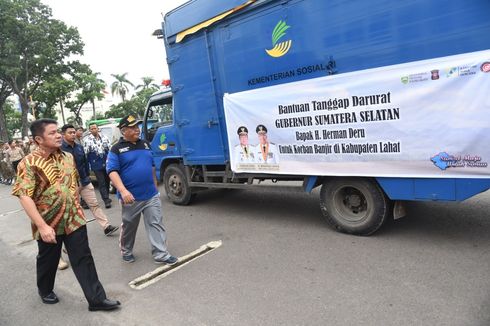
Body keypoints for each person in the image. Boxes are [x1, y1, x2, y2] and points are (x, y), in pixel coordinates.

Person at [11, 118, 120, 311]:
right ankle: (44, 290)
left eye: (57, 131)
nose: (58, 135)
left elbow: (75, 183)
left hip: (74, 219)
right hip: (48, 222)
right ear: (38, 139)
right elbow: (24, 196)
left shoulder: (68, 157)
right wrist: (42, 226)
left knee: (83, 258)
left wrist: (74, 203)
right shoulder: (28, 163)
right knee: (48, 260)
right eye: (52, 133)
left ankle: (96, 300)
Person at [107, 114, 177, 265]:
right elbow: (112, 171)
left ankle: (161, 254)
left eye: (137, 127)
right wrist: (123, 191)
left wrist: (155, 186)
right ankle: (126, 250)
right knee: (129, 226)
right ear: (123, 130)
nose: (137, 130)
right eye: (132, 128)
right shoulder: (116, 149)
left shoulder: (145, 144)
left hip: (150, 194)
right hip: (131, 197)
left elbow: (151, 166)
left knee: (156, 223)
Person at [61, 124, 119, 237]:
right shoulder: (59, 150)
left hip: (84, 182)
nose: (73, 134)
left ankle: (106, 227)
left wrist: (86, 177)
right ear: (63, 135)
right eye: (70, 133)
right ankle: (69, 235)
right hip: (69, 185)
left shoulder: (79, 147)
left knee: (94, 204)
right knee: (72, 209)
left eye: (74, 132)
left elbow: (85, 162)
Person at [84, 123, 112, 208]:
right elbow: (86, 154)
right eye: (91, 129)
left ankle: (106, 195)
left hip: (106, 162)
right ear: (90, 130)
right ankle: (106, 200)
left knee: (107, 180)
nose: (93, 130)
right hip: (96, 163)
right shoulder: (87, 140)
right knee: (101, 182)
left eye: (95, 128)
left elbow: (110, 149)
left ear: (98, 129)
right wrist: (88, 166)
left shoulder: (104, 137)